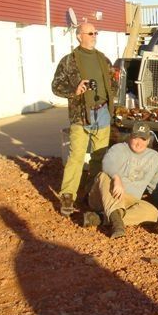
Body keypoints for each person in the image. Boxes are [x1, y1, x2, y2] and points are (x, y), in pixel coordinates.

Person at [52, 22, 116, 216]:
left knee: (99, 156)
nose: (94, 36)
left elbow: (112, 83)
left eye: (96, 32)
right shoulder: (69, 61)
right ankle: (68, 196)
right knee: (77, 156)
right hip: (81, 115)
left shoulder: (103, 59)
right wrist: (75, 90)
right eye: (90, 33)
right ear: (79, 36)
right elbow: (56, 86)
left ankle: (91, 192)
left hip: (103, 111)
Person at [82, 122, 158, 238]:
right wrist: (116, 178)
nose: (139, 143)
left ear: (148, 140)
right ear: (130, 137)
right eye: (136, 138)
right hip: (106, 196)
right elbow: (107, 163)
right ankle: (117, 225)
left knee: (153, 213)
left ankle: (100, 218)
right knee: (103, 176)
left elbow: (154, 186)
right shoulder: (118, 149)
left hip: (130, 201)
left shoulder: (155, 157)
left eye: (143, 139)